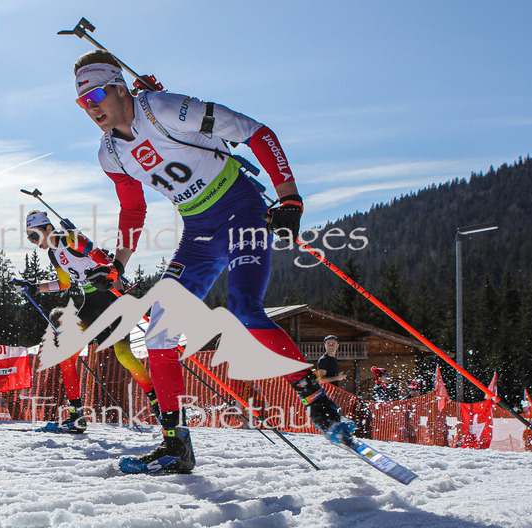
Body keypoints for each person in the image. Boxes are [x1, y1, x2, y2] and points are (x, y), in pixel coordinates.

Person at [71, 50, 355, 473]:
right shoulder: (110, 153)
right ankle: (176, 445)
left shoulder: (164, 108)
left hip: (243, 211)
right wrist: (119, 263)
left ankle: (316, 400)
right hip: (199, 236)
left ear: (119, 85)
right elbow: (133, 211)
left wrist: (289, 196)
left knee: (243, 307)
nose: (91, 107)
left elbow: (257, 132)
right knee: (158, 337)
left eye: (95, 93)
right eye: (82, 101)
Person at [13, 210, 160, 432]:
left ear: (48, 228)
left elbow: (108, 263)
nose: (34, 242)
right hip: (92, 302)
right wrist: (34, 287)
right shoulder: (54, 255)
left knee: (123, 354)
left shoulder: (71, 239)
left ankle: (159, 404)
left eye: (35, 235)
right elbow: (63, 284)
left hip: (113, 295)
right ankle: (76, 416)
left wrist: (107, 275)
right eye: (29, 238)